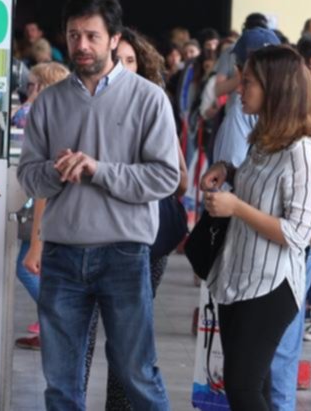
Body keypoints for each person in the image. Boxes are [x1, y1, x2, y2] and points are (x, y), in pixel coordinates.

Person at [18, 0, 179, 410]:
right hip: (62, 257)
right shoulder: (50, 102)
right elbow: (29, 177)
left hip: (124, 253)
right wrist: (57, 172)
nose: (82, 45)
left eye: (92, 35)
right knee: (61, 381)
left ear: (114, 39)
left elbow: (165, 177)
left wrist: (98, 169)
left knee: (137, 372)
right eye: (74, 35)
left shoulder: (148, 99)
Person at [209, 27, 311, 411]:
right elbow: (260, 190)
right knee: (249, 386)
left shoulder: (301, 151)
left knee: (244, 389)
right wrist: (227, 171)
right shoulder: (264, 139)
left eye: (247, 83)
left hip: (271, 284)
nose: (239, 89)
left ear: (274, 88)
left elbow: (297, 233)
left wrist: (236, 209)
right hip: (240, 276)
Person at [93, 28, 189, 411]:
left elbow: (179, 180)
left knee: (128, 339)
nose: (124, 69)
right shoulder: (90, 104)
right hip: (94, 232)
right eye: (119, 61)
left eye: (132, 61)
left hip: (146, 237)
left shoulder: (156, 106)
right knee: (85, 337)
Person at [12, 61, 71, 351]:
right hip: (53, 212)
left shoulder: (41, 114)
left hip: (45, 211)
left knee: (28, 267)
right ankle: (54, 324)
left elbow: (19, 116)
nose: (27, 91)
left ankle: (57, 323)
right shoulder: (61, 117)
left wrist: (36, 244)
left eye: (33, 85)